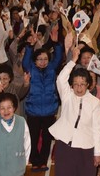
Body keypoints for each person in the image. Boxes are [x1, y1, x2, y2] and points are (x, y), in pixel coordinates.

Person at [49, 45, 100, 176]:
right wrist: (73, 60)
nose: (79, 88)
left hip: (86, 147)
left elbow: (97, 129)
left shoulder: (95, 102)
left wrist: (97, 153)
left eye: (82, 84)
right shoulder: (67, 96)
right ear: (71, 84)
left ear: (88, 85)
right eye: (76, 84)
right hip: (64, 145)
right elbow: (61, 79)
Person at [22, 27, 63, 172]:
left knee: (47, 139)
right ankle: (35, 161)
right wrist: (30, 46)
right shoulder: (30, 68)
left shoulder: (52, 68)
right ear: (35, 60)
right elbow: (25, 61)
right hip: (33, 111)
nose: (43, 62)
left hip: (49, 111)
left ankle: (43, 160)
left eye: (45, 59)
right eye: (39, 59)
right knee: (33, 138)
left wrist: (56, 43)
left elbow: (58, 58)